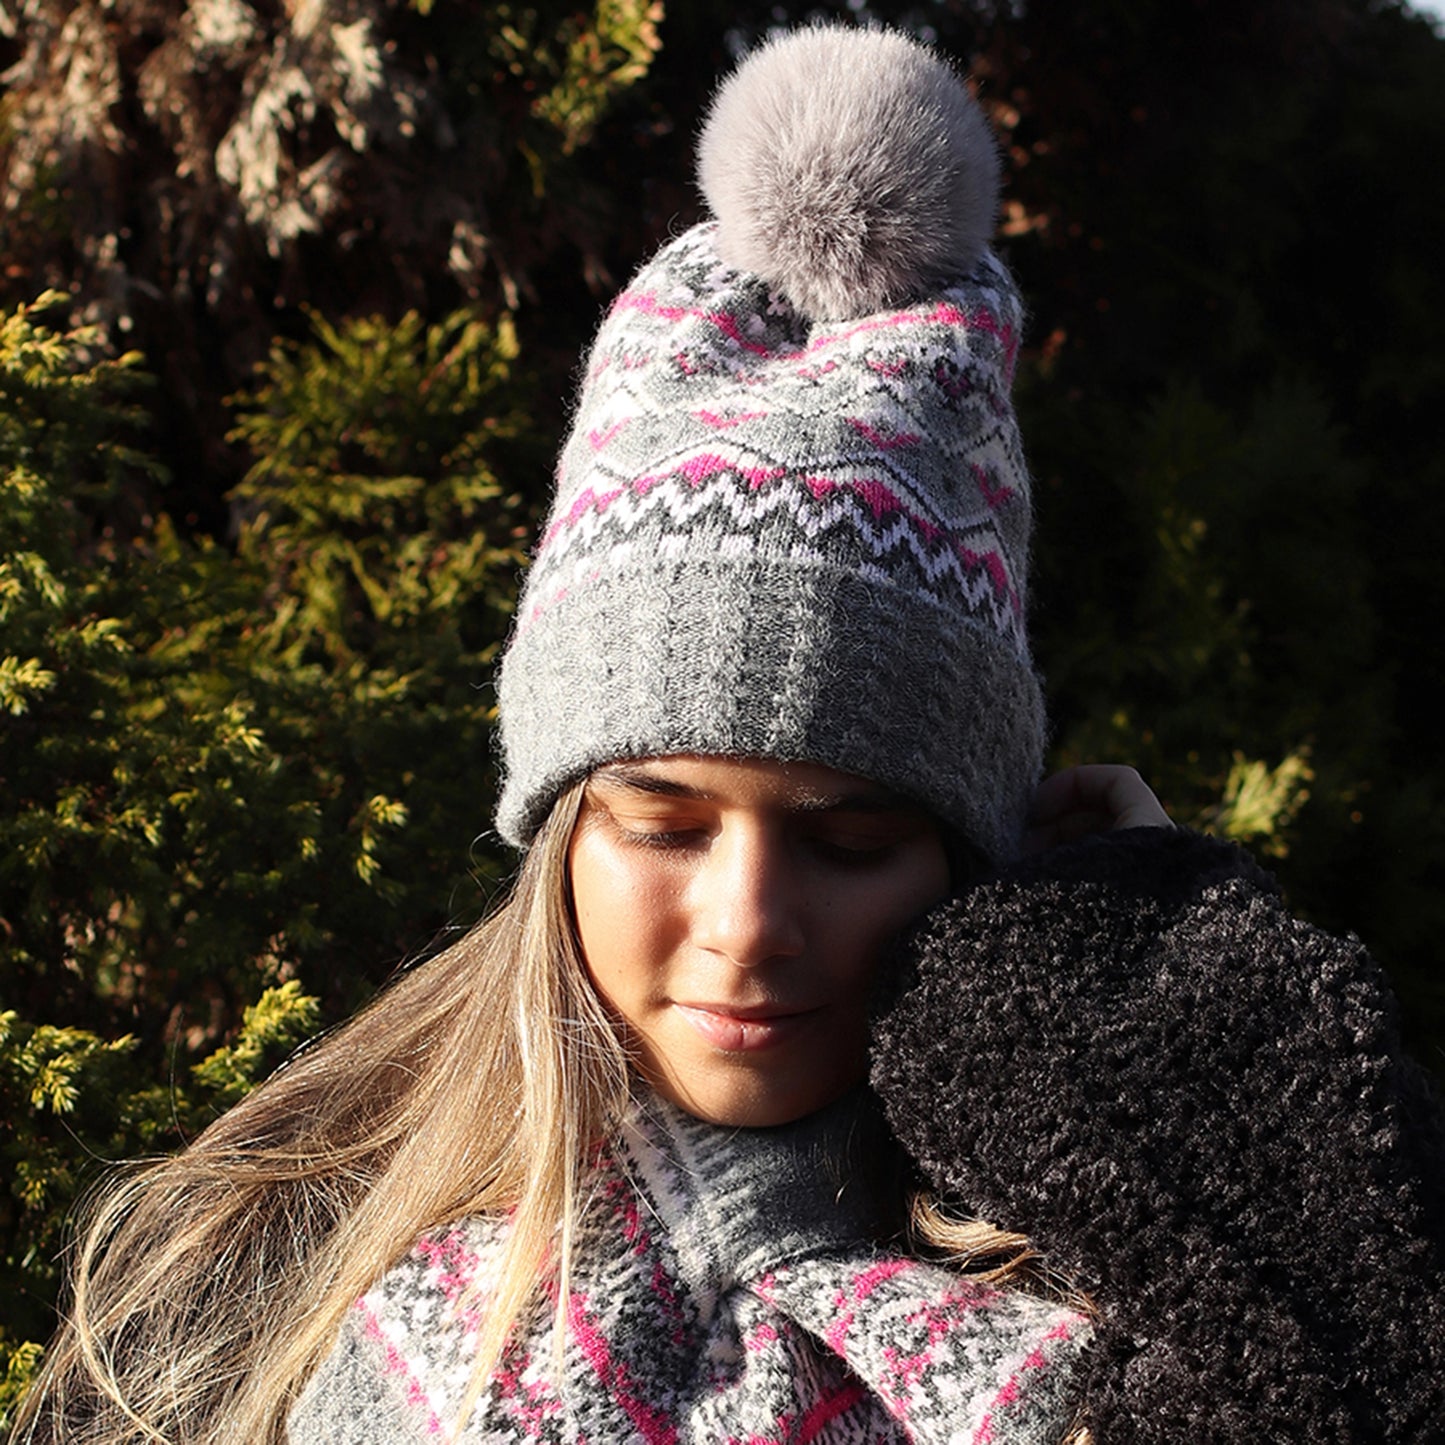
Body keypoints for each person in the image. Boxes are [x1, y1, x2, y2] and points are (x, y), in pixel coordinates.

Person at [13, 24, 1443, 1445]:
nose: (748, 921)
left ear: (968, 855)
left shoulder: (1093, 1304)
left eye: (849, 837)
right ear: (562, 825)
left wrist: (1162, 991)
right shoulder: (248, 1278)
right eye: (664, 820)